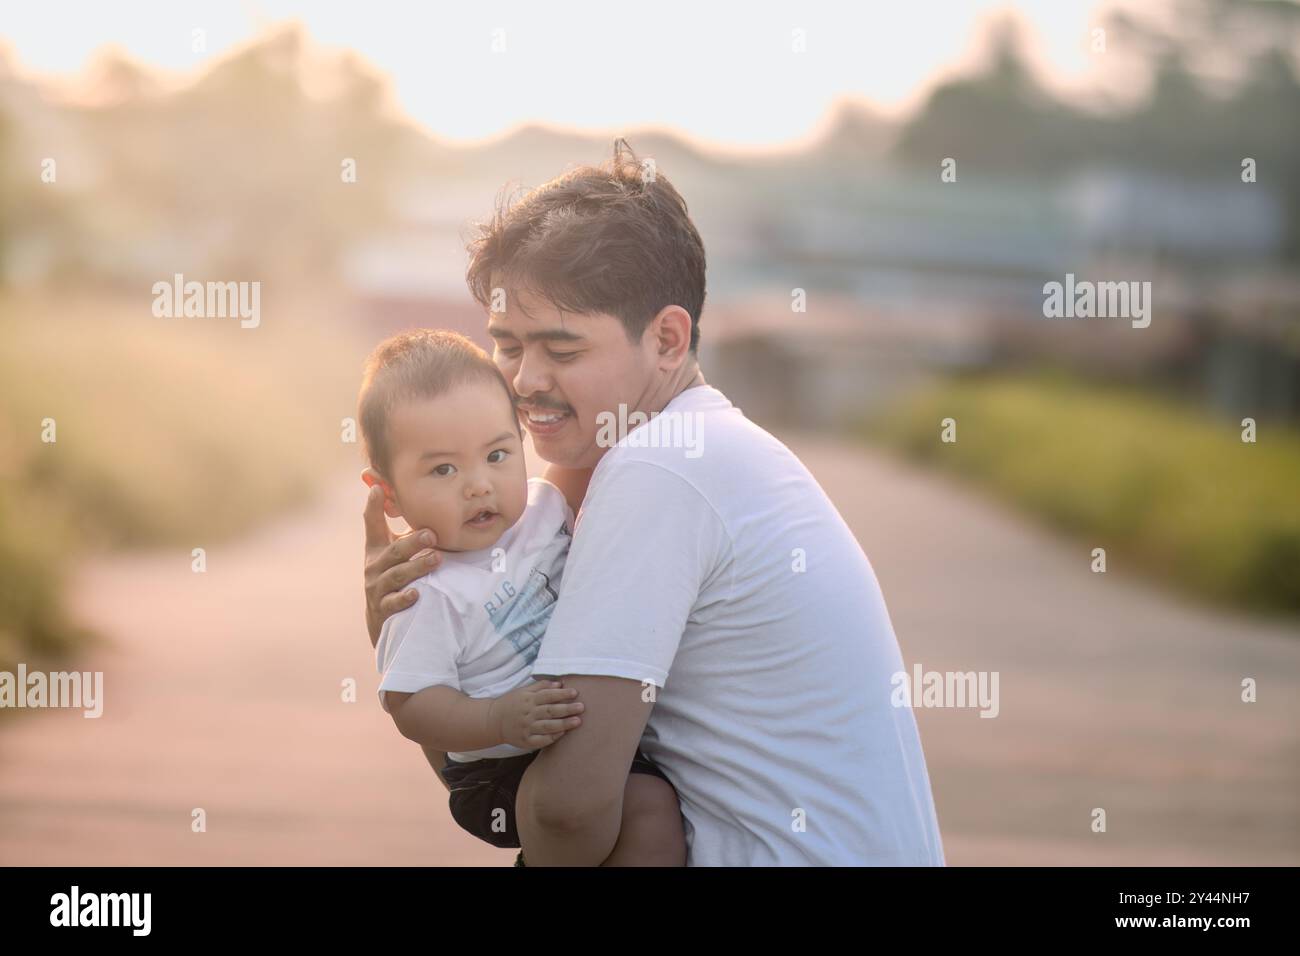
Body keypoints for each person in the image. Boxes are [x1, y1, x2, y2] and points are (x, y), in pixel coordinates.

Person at [363, 140, 945, 866]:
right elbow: (498, 777)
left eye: (563, 350)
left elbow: (567, 816)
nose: (524, 379)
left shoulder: (661, 470)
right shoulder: (693, 447)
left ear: (668, 338)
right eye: (506, 345)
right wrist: (408, 632)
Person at [359, 328, 685, 866]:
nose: (478, 485)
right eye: (444, 469)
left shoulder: (547, 508)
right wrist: (497, 720)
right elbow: (410, 704)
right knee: (643, 804)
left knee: (650, 819)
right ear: (388, 493)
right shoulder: (429, 590)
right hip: (499, 767)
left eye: (497, 454)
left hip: (577, 732)